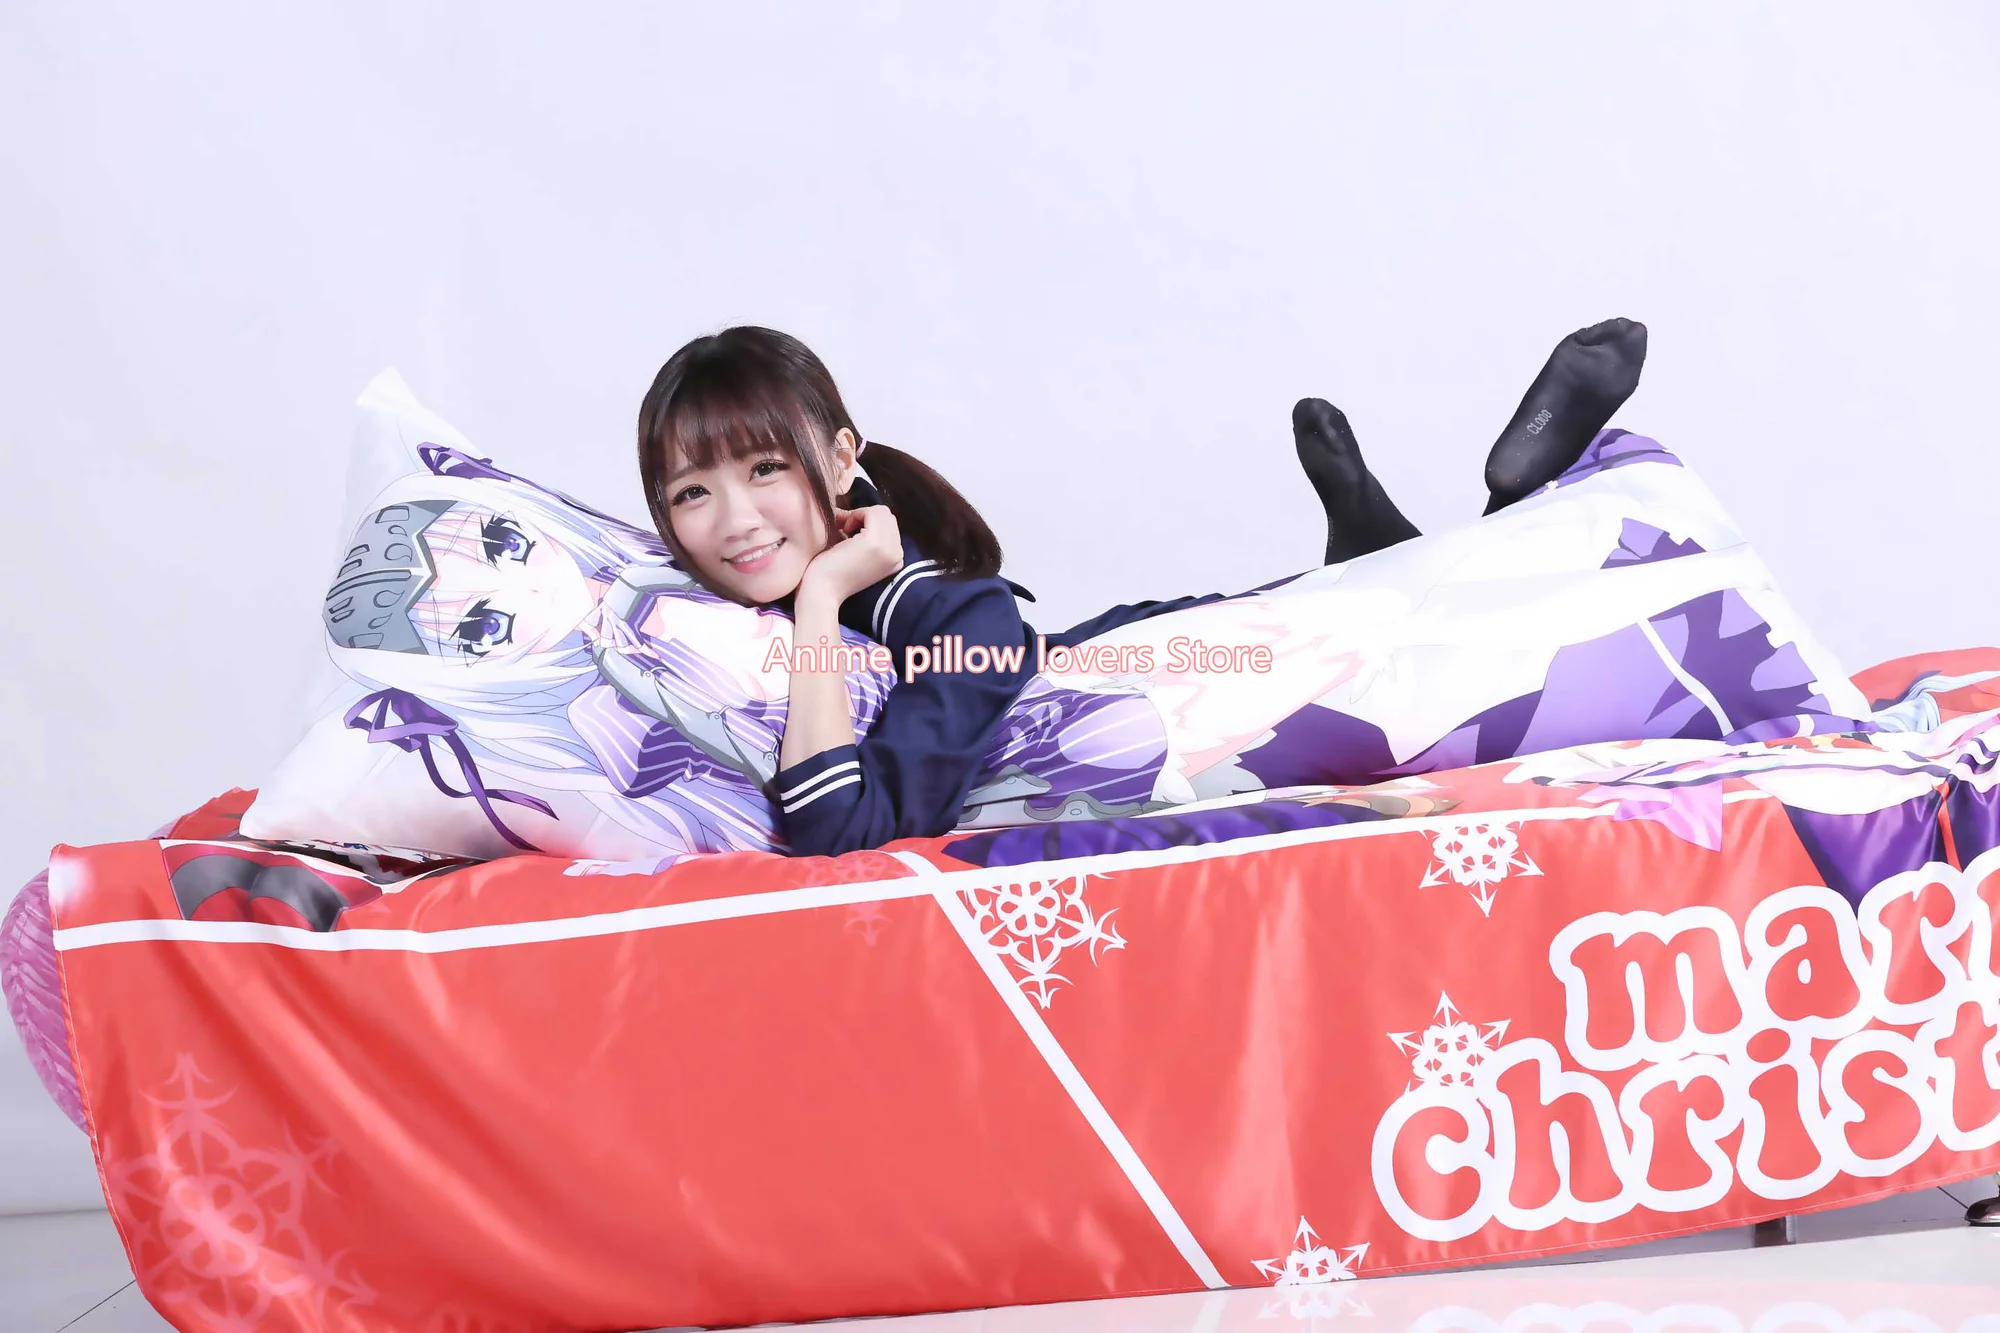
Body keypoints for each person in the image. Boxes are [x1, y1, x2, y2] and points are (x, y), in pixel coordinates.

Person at [635, 321, 1649, 858]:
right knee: (1394, 600)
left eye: (764, 469)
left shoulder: (941, 614)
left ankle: (1524, 496)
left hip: (1169, 657)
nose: (734, 519)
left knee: (1456, 633)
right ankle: (1373, 543)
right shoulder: (708, 625)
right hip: (1156, 643)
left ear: (838, 457)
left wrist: (821, 600)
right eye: (692, 491)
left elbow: (842, 829)